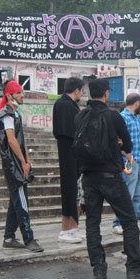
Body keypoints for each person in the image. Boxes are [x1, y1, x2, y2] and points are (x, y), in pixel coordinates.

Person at [75, 79, 140, 279]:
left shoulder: (80, 116)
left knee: (93, 223)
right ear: (106, 94)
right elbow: (128, 143)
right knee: (129, 221)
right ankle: (133, 269)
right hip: (111, 175)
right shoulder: (113, 116)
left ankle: (99, 270)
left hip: (89, 177)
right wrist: (117, 142)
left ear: (90, 94)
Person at [0, 80, 44, 253]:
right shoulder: (7, 114)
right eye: (18, 93)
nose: (22, 96)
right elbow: (12, 140)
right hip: (13, 164)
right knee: (22, 202)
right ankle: (28, 238)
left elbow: (21, 140)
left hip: (17, 162)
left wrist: (27, 160)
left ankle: (9, 237)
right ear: (9, 96)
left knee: (15, 201)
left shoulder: (15, 114)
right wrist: (23, 162)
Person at [113, 93, 140, 235]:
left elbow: (139, 141)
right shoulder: (123, 118)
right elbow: (118, 140)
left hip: (138, 161)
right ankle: (118, 223)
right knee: (126, 193)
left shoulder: (136, 118)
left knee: (137, 195)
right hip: (128, 162)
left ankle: (132, 222)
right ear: (136, 103)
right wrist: (128, 156)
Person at [53, 77, 85, 243]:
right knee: (69, 190)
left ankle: (72, 228)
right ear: (77, 90)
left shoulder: (67, 104)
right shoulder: (65, 105)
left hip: (72, 153)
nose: (82, 93)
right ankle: (65, 229)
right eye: (82, 90)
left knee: (76, 191)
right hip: (68, 153)